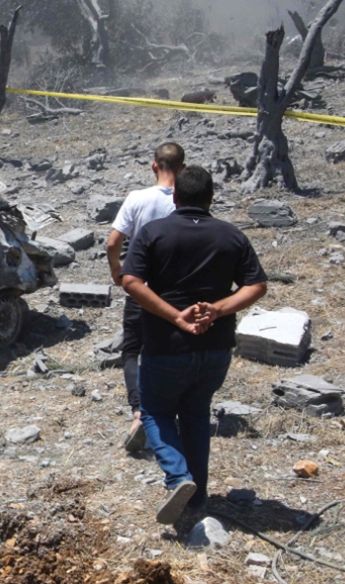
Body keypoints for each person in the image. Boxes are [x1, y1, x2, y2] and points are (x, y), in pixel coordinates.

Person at [121, 166, 267, 524]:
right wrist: (216, 310)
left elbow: (131, 281)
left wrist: (175, 316)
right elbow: (257, 285)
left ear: (175, 196)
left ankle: (178, 477)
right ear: (211, 198)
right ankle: (197, 500)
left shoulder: (154, 233)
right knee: (196, 414)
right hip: (215, 348)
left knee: (155, 411)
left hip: (166, 345)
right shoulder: (231, 235)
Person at [106, 142, 185, 453]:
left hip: (140, 287)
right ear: (182, 169)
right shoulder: (186, 201)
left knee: (131, 352)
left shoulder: (137, 199)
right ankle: (169, 411)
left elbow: (113, 242)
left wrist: (117, 270)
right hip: (175, 292)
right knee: (168, 350)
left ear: (155, 166)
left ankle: (139, 412)